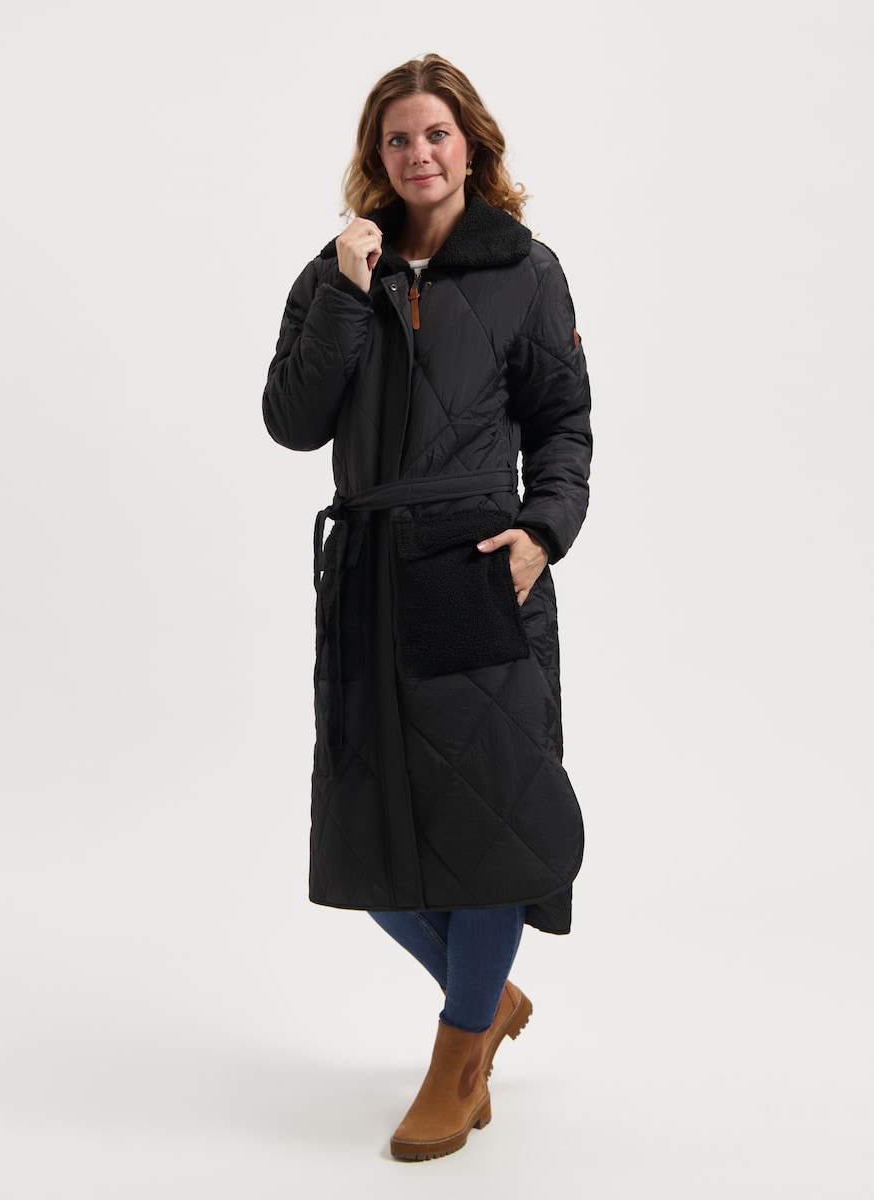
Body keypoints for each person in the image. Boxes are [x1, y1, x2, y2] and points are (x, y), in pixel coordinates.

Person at [262, 52, 592, 1160]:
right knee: (374, 843)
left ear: (470, 144)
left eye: (436, 135)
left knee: (485, 828)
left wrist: (543, 531)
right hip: (366, 575)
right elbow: (293, 421)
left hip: (474, 564)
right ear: (377, 154)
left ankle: (458, 1057)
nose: (418, 154)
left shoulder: (525, 270)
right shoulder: (333, 272)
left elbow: (563, 422)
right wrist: (346, 293)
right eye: (397, 138)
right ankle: (485, 998)